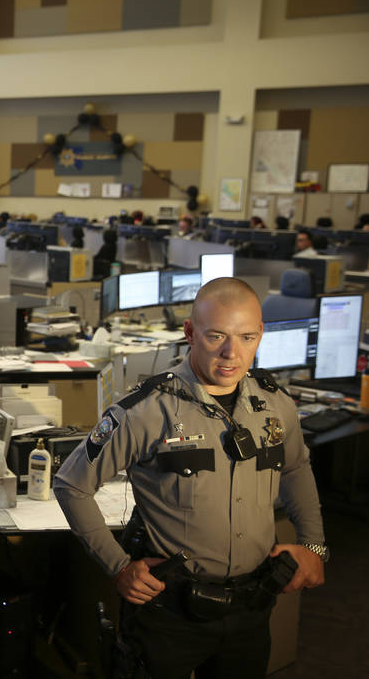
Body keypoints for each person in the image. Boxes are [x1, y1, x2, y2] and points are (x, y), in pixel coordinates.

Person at [54, 278, 325, 679]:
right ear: (190, 332)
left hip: (252, 608)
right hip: (168, 615)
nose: (232, 353)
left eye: (247, 337)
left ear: (260, 335)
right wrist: (118, 566)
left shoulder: (275, 403)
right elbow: (71, 484)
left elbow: (297, 467)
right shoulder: (146, 410)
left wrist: (313, 546)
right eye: (216, 335)